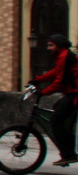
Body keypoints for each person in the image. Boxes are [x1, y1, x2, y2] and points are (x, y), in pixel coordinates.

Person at [29, 34, 78, 167]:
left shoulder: (64, 57)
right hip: (72, 93)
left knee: (56, 120)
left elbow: (59, 81)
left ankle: (68, 154)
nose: (48, 48)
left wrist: (44, 92)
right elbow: (56, 72)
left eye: (51, 45)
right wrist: (38, 79)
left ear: (59, 46)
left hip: (75, 94)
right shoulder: (63, 56)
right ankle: (70, 147)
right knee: (59, 114)